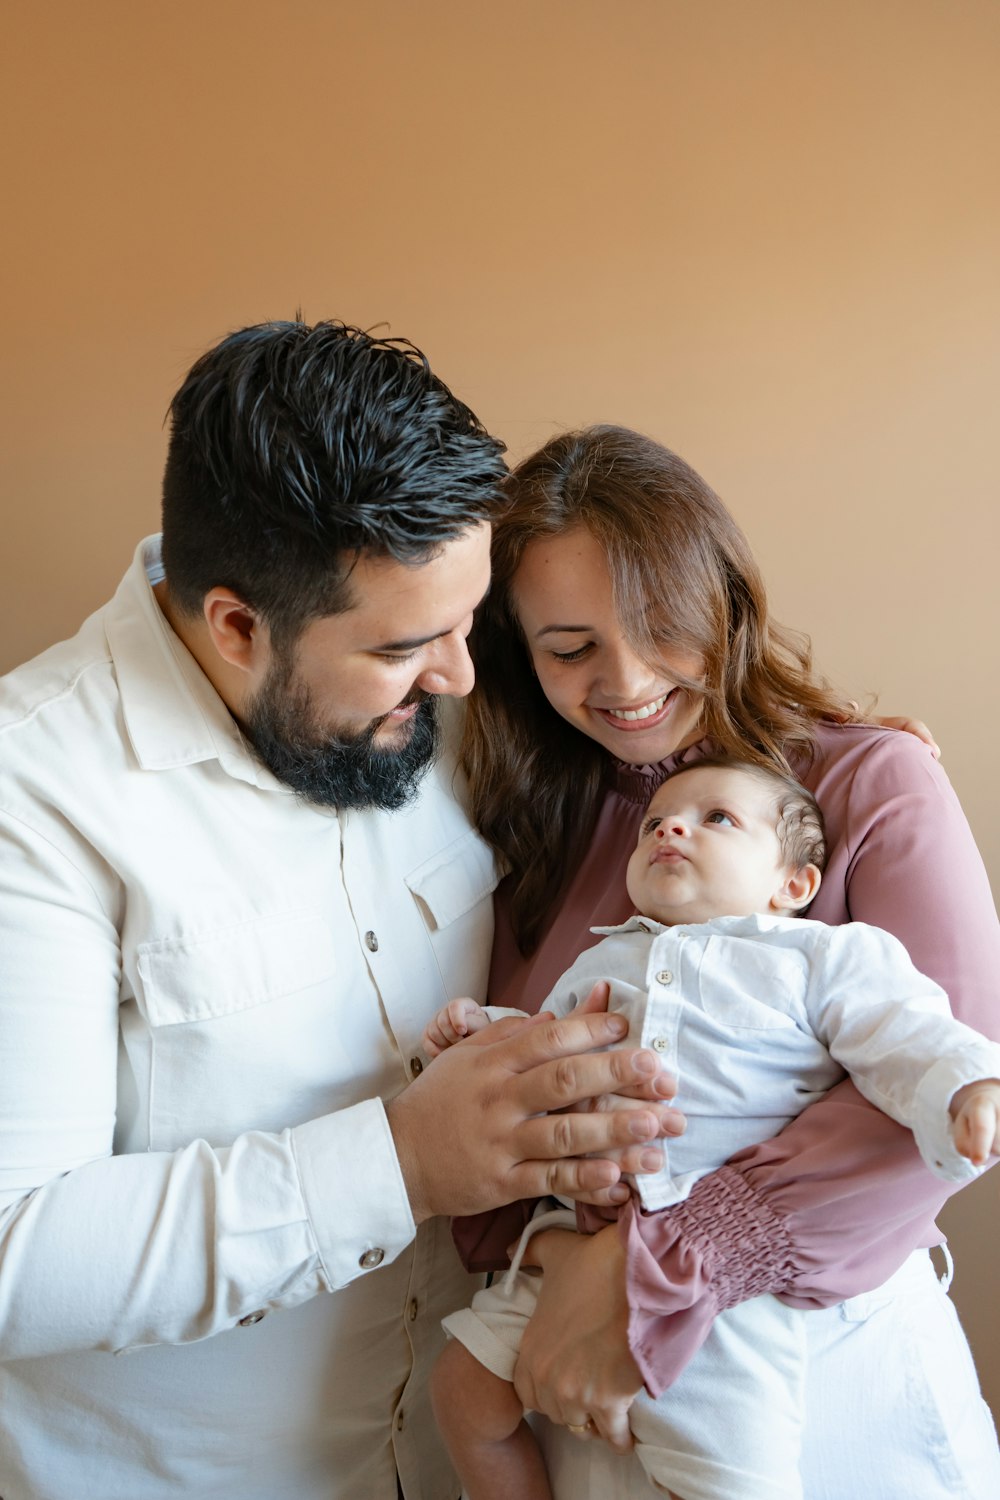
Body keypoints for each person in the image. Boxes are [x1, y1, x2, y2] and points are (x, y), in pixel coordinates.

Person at [0, 330, 680, 1500]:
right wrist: (401, 1162)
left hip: (473, 1457)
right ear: (235, 628)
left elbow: (656, 736)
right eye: (408, 647)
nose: (465, 679)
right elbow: (13, 1255)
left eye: (469, 624)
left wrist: (858, 772)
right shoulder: (33, 793)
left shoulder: (441, 675)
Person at [454, 425, 1000, 1499]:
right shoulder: (536, 836)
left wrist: (655, 1271)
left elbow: (951, 1097)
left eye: (662, 627)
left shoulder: (868, 782)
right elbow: (497, 1130)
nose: (627, 682)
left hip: (824, 1403)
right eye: (569, 649)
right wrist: (562, 1271)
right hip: (573, 1398)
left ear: (724, 599)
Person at [427, 757, 1000, 1500]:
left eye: (716, 819)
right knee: (461, 1393)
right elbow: (543, 1048)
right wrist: (480, 1034)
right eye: (654, 823)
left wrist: (967, 1084)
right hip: (575, 1247)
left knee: (726, 1477)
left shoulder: (816, 957)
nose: (670, 827)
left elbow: (904, 1029)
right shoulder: (603, 958)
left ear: (792, 884)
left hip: (728, 1298)